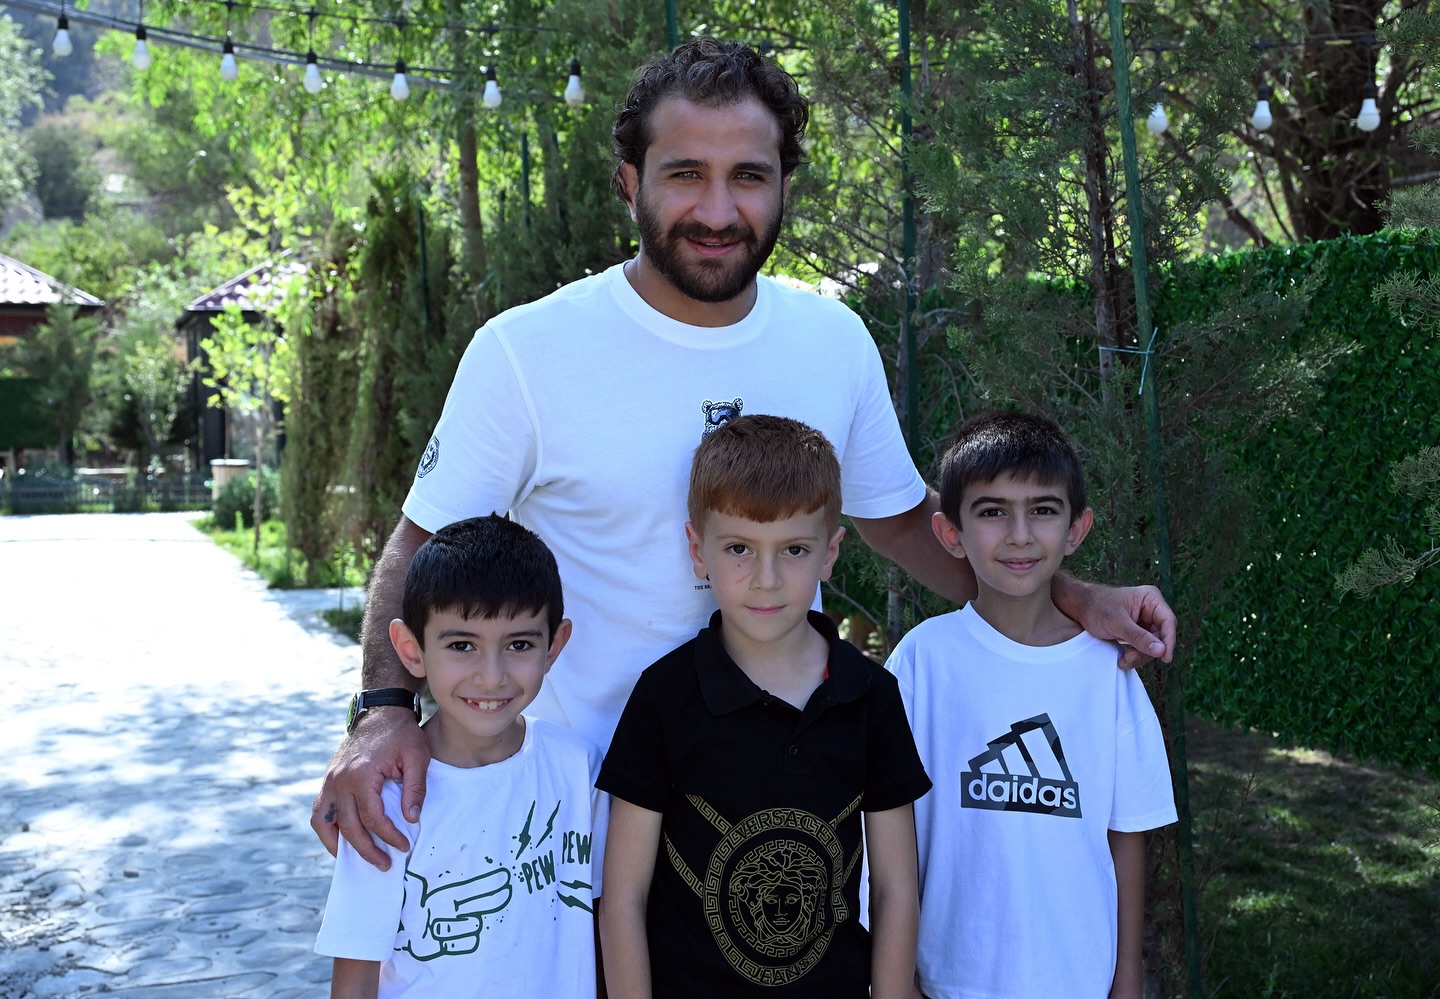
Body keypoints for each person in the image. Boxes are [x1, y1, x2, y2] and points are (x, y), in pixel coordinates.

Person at [311, 37, 1176, 871]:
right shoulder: (525, 352)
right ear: (630, 182)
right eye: (687, 173)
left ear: (783, 185)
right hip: (584, 837)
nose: (720, 212)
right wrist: (383, 710)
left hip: (788, 831)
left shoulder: (833, 341)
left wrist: (1067, 596)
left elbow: (905, 524)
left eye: (749, 177)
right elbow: (421, 544)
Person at [598, 415, 930, 998]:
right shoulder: (664, 697)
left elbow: (896, 890)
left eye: (794, 549)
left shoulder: (871, 696)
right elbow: (624, 898)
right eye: (739, 549)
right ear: (698, 550)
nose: (766, 579)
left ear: (830, 553)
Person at [886, 412, 1178, 999]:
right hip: (950, 983)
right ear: (950, 533)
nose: (1019, 534)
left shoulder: (1109, 671)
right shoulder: (922, 661)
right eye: (992, 512)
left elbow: (1127, 835)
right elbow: (887, 834)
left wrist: (1126, 983)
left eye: (1043, 510)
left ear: (1076, 529)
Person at [314, 515, 608, 999]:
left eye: (519, 644)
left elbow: (602, 924)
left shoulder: (581, 769)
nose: (491, 677)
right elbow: (355, 978)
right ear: (411, 650)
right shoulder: (385, 802)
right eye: (462, 645)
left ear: (554, 645)